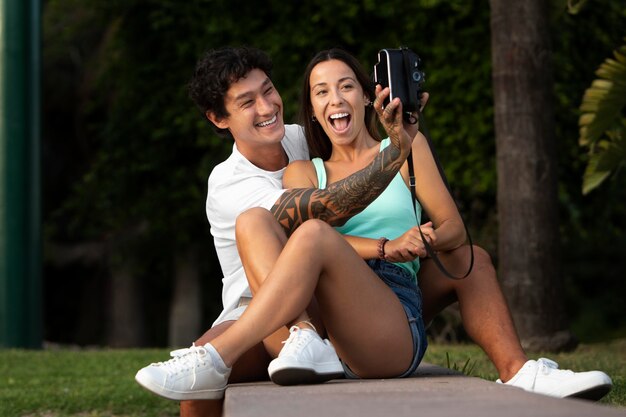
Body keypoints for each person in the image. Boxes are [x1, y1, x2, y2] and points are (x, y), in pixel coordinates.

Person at [135, 47, 612, 417]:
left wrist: (402, 156)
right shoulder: (246, 179)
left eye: (269, 91)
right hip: (269, 316)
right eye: (321, 93)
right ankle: (246, 349)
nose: (266, 108)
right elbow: (314, 218)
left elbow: (450, 229)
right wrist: (387, 225)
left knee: (474, 258)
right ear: (220, 120)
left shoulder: (299, 138)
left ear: (368, 94)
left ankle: (521, 370)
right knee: (267, 228)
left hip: (365, 307)